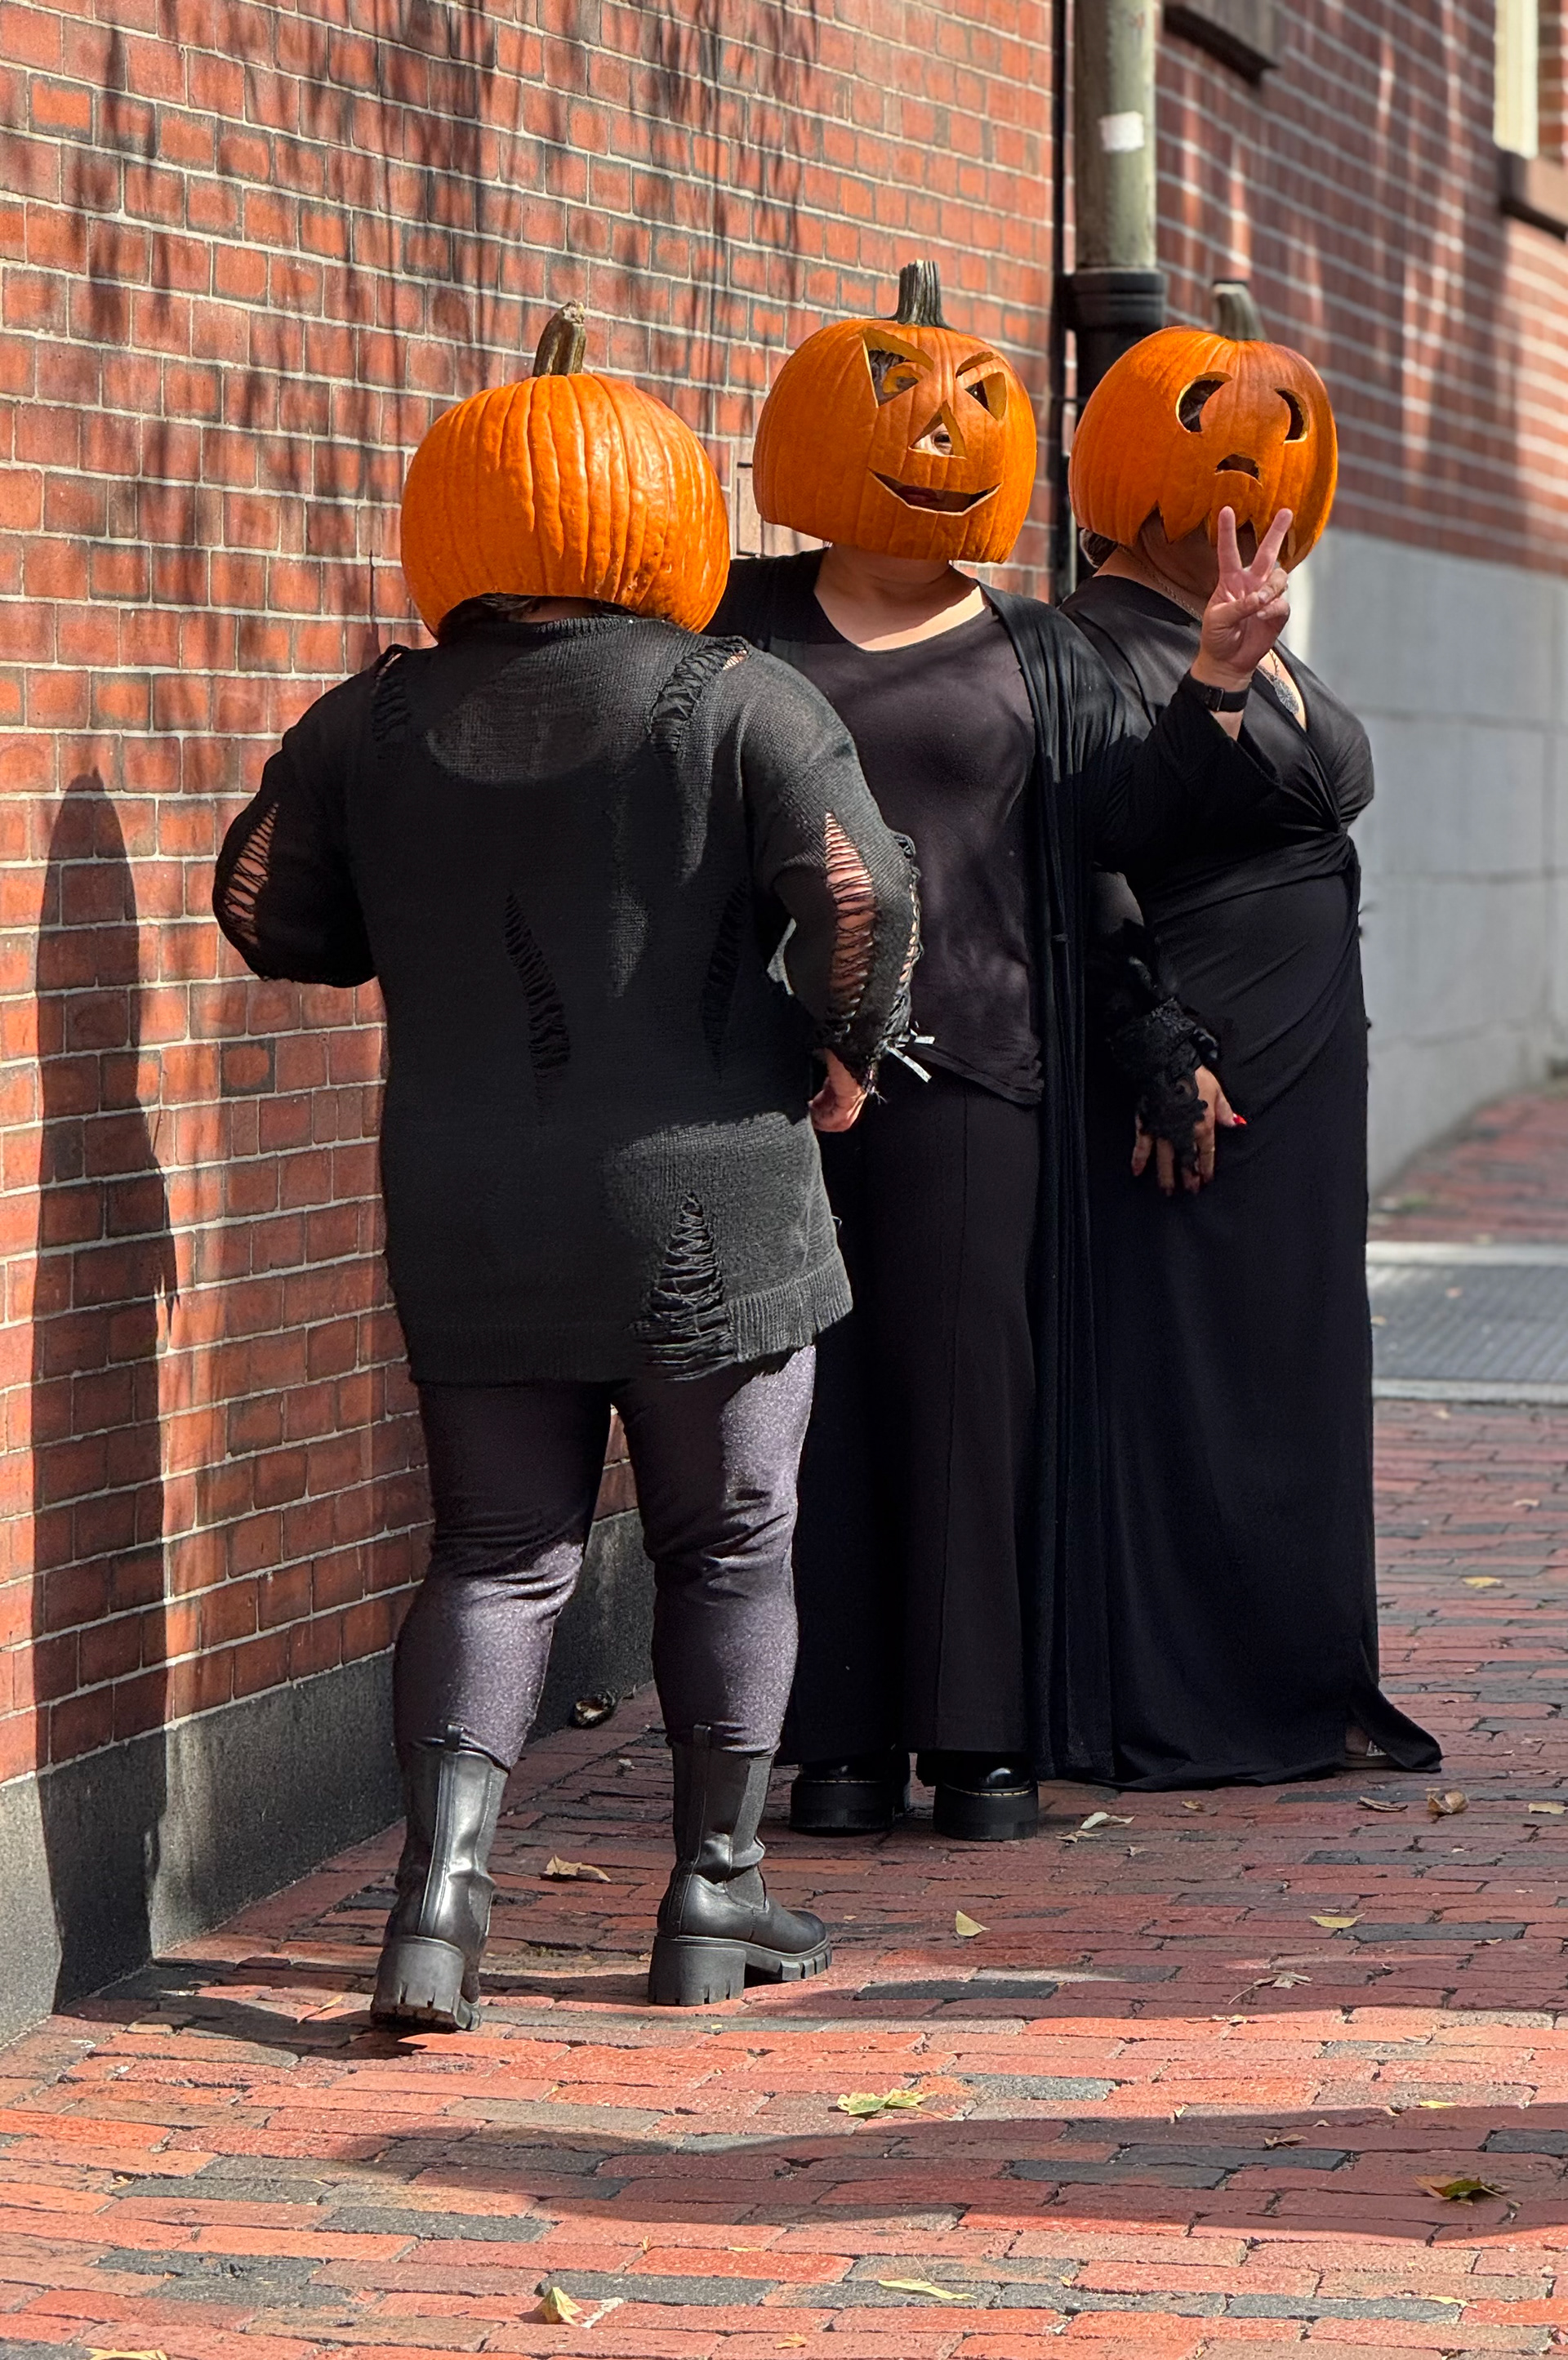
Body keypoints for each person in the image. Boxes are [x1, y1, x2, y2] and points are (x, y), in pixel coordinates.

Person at [212, 305, 920, 2021]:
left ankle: (436, 1907)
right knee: (729, 1541)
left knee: (496, 1550)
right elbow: (860, 888)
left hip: (472, 1199)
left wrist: (407, 927)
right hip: (712, 1196)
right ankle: (713, 1895)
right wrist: (848, 1043)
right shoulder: (737, 696)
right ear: (654, 518)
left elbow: (258, 902)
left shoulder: (368, 718)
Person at [713, 262, 1298, 1838]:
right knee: (805, 1406)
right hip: (768, 1077)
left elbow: (1118, 836)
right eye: (905, 405)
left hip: (976, 1063)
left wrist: (1218, 681)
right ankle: (835, 1742)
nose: (942, 435)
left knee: (972, 1395)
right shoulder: (738, 618)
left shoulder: (1034, 645)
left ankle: (975, 1737)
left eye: (977, 406)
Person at [1063, 318, 1441, 1788]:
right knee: (1197, 1376)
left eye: (1284, 436)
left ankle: (1298, 1673)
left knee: (1294, 1372)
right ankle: (1192, 1698)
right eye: (1217, 435)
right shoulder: (1085, 642)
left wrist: (1239, 657)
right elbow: (1099, 852)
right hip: (1208, 1065)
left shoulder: (1245, 615)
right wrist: (1158, 1048)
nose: (1258, 460)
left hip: (1308, 1075)